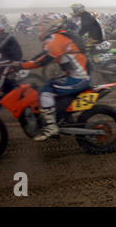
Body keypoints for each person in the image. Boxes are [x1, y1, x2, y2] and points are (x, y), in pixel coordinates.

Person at [16, 13, 91, 141]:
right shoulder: (60, 35)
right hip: (77, 75)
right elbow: (44, 54)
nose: (41, 28)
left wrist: (22, 66)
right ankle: (62, 117)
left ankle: (51, 128)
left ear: (52, 25)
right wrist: (23, 62)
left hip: (79, 78)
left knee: (45, 90)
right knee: (48, 83)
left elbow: (44, 60)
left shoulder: (58, 37)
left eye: (44, 25)